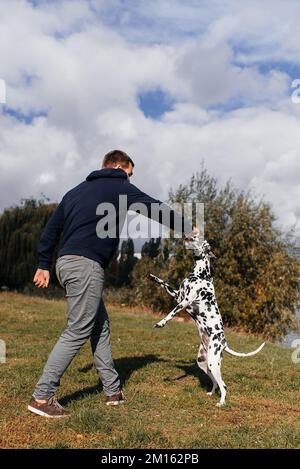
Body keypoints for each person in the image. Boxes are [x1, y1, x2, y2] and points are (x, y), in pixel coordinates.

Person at [28, 149, 194, 418]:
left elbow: (51, 230)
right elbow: (155, 208)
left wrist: (43, 264)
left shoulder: (74, 192)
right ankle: (42, 397)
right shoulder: (119, 186)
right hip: (85, 265)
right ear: (118, 166)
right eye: (129, 173)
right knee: (78, 329)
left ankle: (112, 391)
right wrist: (188, 228)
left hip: (66, 263)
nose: (130, 178)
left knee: (99, 325)